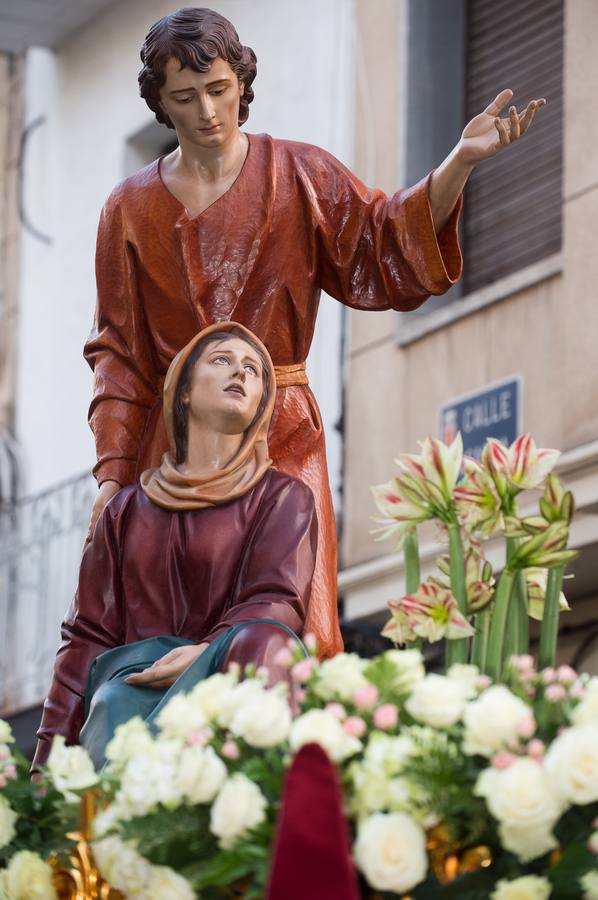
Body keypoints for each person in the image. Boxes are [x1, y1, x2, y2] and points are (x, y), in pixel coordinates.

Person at [84, 8, 545, 658]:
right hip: (177, 453)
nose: (209, 111)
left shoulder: (299, 174)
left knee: (290, 635)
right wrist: (110, 480)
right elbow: (120, 356)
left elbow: (383, 242)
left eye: (218, 89)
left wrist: (458, 165)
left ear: (242, 81)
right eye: (185, 98)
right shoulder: (128, 211)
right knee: (170, 640)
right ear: (160, 103)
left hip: (284, 438)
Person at [33, 322, 317, 770]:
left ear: (262, 402)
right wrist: (46, 761)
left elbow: (277, 597)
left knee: (265, 643)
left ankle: (254, 809)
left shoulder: (284, 497)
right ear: (183, 389)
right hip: (136, 684)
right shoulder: (124, 512)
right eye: (222, 360)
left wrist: (210, 649)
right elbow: (87, 636)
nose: (240, 374)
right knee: (113, 701)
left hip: (232, 666)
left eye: (253, 370)